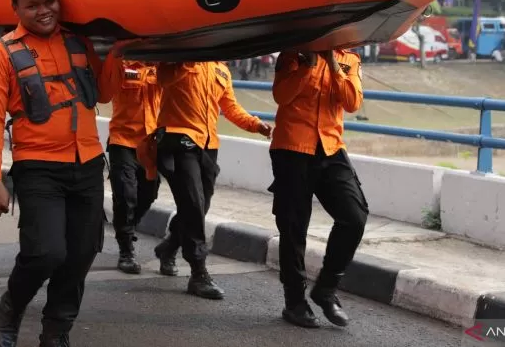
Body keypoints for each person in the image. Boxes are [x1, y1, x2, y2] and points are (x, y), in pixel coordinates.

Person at [0, 0, 123, 347]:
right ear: (15, 7)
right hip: (38, 167)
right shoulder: (2, 53)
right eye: (33, 3)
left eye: (49, 0)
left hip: (88, 164)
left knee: (82, 253)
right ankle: (12, 307)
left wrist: (118, 50)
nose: (44, 9)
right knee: (45, 253)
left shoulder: (79, 42)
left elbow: (104, 94)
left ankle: (56, 332)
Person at [152, 61, 272, 299]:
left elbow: (230, 107)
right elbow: (163, 80)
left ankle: (170, 246)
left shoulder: (221, 70)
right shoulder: (179, 61)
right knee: (194, 204)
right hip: (178, 140)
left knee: (200, 205)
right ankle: (198, 272)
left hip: (207, 146)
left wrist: (256, 125)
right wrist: (188, 59)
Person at [268, 48, 368, 329]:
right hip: (292, 148)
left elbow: (352, 102)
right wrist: (307, 66)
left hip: (331, 148)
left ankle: (326, 288)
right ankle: (294, 302)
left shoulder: (350, 59)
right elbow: (281, 96)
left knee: (354, 216)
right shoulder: (292, 56)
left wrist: (332, 63)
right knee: (293, 227)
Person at [107, 59, 162, 274]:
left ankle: (126, 227)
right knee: (125, 194)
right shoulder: (122, 66)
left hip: (150, 145)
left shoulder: (162, 69)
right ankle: (126, 249)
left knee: (149, 193)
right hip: (123, 141)